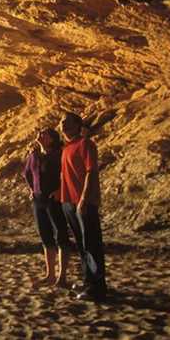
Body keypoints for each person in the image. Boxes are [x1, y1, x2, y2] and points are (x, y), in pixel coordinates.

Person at [59, 112, 108, 301]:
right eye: (61, 122)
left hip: (82, 202)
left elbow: (91, 172)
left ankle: (97, 288)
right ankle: (88, 281)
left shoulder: (86, 144)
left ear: (78, 125)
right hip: (68, 202)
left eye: (66, 122)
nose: (62, 125)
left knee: (91, 244)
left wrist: (84, 199)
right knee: (81, 244)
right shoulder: (66, 148)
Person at [22, 127, 70, 288]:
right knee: (46, 237)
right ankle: (50, 275)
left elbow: (67, 173)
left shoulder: (59, 154)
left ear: (52, 139)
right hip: (38, 200)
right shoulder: (34, 156)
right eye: (40, 133)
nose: (40, 135)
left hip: (54, 200)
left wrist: (60, 189)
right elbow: (27, 173)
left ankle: (62, 277)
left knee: (61, 236)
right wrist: (31, 190)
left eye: (45, 134)